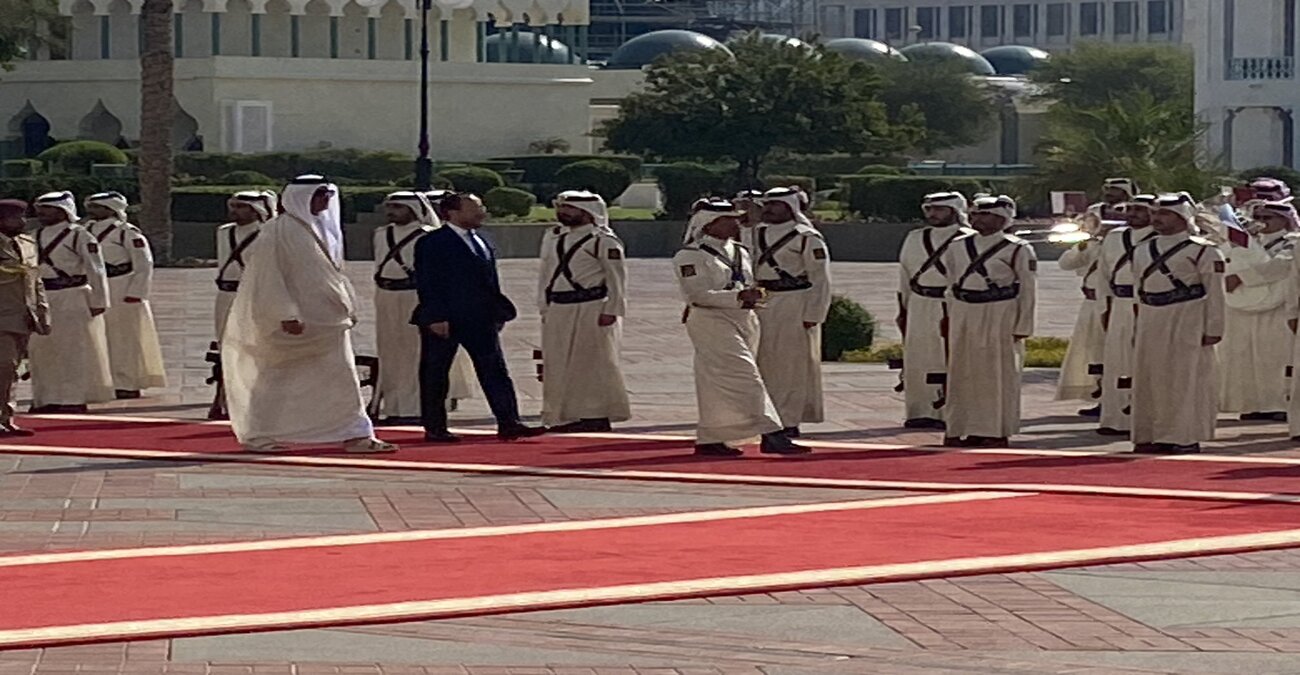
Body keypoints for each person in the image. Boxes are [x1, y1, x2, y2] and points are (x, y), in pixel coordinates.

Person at [222, 175, 396, 454]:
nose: (325, 200)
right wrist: (285, 313)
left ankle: (355, 434)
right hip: (294, 324)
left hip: (328, 322)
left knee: (342, 379)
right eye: (319, 195)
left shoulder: (321, 228)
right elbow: (269, 276)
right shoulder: (278, 230)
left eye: (327, 195)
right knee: (274, 379)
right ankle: (259, 435)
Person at [411, 192, 545, 443]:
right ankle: (435, 428)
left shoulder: (482, 240)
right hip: (445, 320)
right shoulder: (433, 242)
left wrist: (497, 313)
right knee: (436, 374)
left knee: (495, 371)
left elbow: (488, 281)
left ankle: (509, 422)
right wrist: (436, 316)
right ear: (452, 212)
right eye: (474, 208)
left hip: (480, 318)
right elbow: (428, 282)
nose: (481, 212)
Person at [674, 200, 803, 457]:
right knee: (744, 375)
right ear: (708, 224)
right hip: (711, 320)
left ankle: (711, 436)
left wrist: (752, 298)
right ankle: (772, 433)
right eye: (727, 219)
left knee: (716, 380)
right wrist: (739, 297)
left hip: (744, 318)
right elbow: (697, 294)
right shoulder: (690, 256)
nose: (736, 223)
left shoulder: (740, 251)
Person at [1130, 192, 1225, 454]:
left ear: (1182, 217)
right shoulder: (1142, 249)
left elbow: (1215, 292)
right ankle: (1148, 433)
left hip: (1187, 315)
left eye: (1165, 214)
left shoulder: (1203, 250)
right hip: (1151, 315)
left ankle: (1183, 436)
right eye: (1156, 213)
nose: (1157, 219)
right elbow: (1139, 289)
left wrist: (1214, 328)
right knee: (1148, 377)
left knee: (1183, 378)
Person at [939, 195, 1036, 448]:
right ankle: (959, 426)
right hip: (963, 309)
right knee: (961, 370)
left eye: (985, 214)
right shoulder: (957, 245)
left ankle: (994, 429)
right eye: (975, 214)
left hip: (999, 311)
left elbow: (1027, 288)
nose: (977, 219)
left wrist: (1022, 325)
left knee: (996, 373)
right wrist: (949, 315)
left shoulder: (1016, 248)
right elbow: (951, 281)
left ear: (1002, 218)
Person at [372, 191, 474, 425]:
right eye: (390, 206)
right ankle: (394, 406)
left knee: (416, 353)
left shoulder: (427, 236)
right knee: (391, 351)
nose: (392, 212)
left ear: (414, 208)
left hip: (415, 296)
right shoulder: (381, 234)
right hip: (386, 297)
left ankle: (416, 407)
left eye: (398, 206)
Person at [537, 190, 630, 432]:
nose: (562, 212)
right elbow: (546, 275)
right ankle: (562, 416)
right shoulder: (554, 237)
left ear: (588, 212)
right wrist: (544, 306)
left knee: (590, 364)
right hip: (559, 307)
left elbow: (617, 278)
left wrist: (613, 309)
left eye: (570, 208)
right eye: (561, 207)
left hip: (591, 308)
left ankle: (594, 415)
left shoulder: (603, 240)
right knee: (557, 363)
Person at [751, 186, 831, 438]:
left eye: (776, 204)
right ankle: (764, 416)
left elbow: (820, 279)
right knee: (762, 362)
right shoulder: (756, 233)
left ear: (790, 207)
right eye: (768, 204)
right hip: (762, 302)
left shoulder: (807, 237)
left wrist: (814, 314)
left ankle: (788, 420)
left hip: (794, 303)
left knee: (790, 365)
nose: (770, 209)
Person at [27, 191, 113, 413]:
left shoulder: (80, 236)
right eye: (40, 209)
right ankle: (44, 399)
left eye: (48, 209)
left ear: (63, 211)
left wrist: (99, 300)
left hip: (72, 295)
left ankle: (72, 399)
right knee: (41, 350)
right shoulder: (33, 236)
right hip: (42, 297)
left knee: (73, 350)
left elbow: (97, 269)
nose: (42, 214)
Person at [896, 192, 973, 429]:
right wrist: (904, 309)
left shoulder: (969, 238)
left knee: (950, 357)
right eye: (929, 209)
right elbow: (905, 274)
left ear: (954, 210)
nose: (933, 214)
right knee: (918, 357)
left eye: (939, 209)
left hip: (952, 305)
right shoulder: (915, 237)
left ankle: (949, 412)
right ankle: (919, 410)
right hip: (919, 302)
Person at [82, 192, 166, 399]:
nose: (92, 211)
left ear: (111, 209)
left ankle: (126, 382)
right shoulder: (86, 230)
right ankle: (101, 380)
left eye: (98, 207)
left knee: (124, 339)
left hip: (121, 287)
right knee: (97, 337)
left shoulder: (127, 233)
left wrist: (136, 293)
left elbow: (143, 264)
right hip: (95, 286)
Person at [1219, 199, 1297, 421]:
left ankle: (1277, 404)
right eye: (1259, 218)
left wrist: (1241, 277)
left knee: (1273, 357)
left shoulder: (1291, 242)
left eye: (1268, 218)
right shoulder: (1250, 241)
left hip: (1277, 307)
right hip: (1246, 306)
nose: (1262, 223)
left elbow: (1280, 266)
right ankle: (1252, 403)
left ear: (1285, 220)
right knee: (1245, 356)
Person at [1094, 194, 1158, 436]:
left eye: (1139, 210)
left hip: (1149, 305)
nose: (1132, 214)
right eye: (1130, 209)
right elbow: (1103, 275)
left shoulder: (1163, 239)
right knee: (1116, 361)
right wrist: (1104, 306)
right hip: (1119, 304)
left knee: (1144, 362)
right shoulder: (1114, 237)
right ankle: (1114, 418)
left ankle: (1143, 418)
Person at [1055, 212, 1115, 414]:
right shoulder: (1091, 245)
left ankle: (1116, 398)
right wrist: (1080, 247)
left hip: (1115, 303)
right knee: (1095, 350)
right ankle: (1101, 397)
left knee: (1115, 351)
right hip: (1091, 304)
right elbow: (1065, 264)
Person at [0, 200, 48, 435]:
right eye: (15, 218)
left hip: (22, 316)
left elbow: (35, 280)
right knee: (4, 366)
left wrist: (42, 311)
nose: (22, 222)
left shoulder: (27, 243)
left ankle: (6, 418)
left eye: (23, 218)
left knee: (12, 371)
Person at [214, 190, 275, 339]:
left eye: (240, 206)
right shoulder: (224, 231)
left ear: (255, 209)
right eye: (232, 206)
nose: (234, 210)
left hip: (253, 295)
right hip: (225, 294)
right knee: (225, 337)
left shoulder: (267, 233)